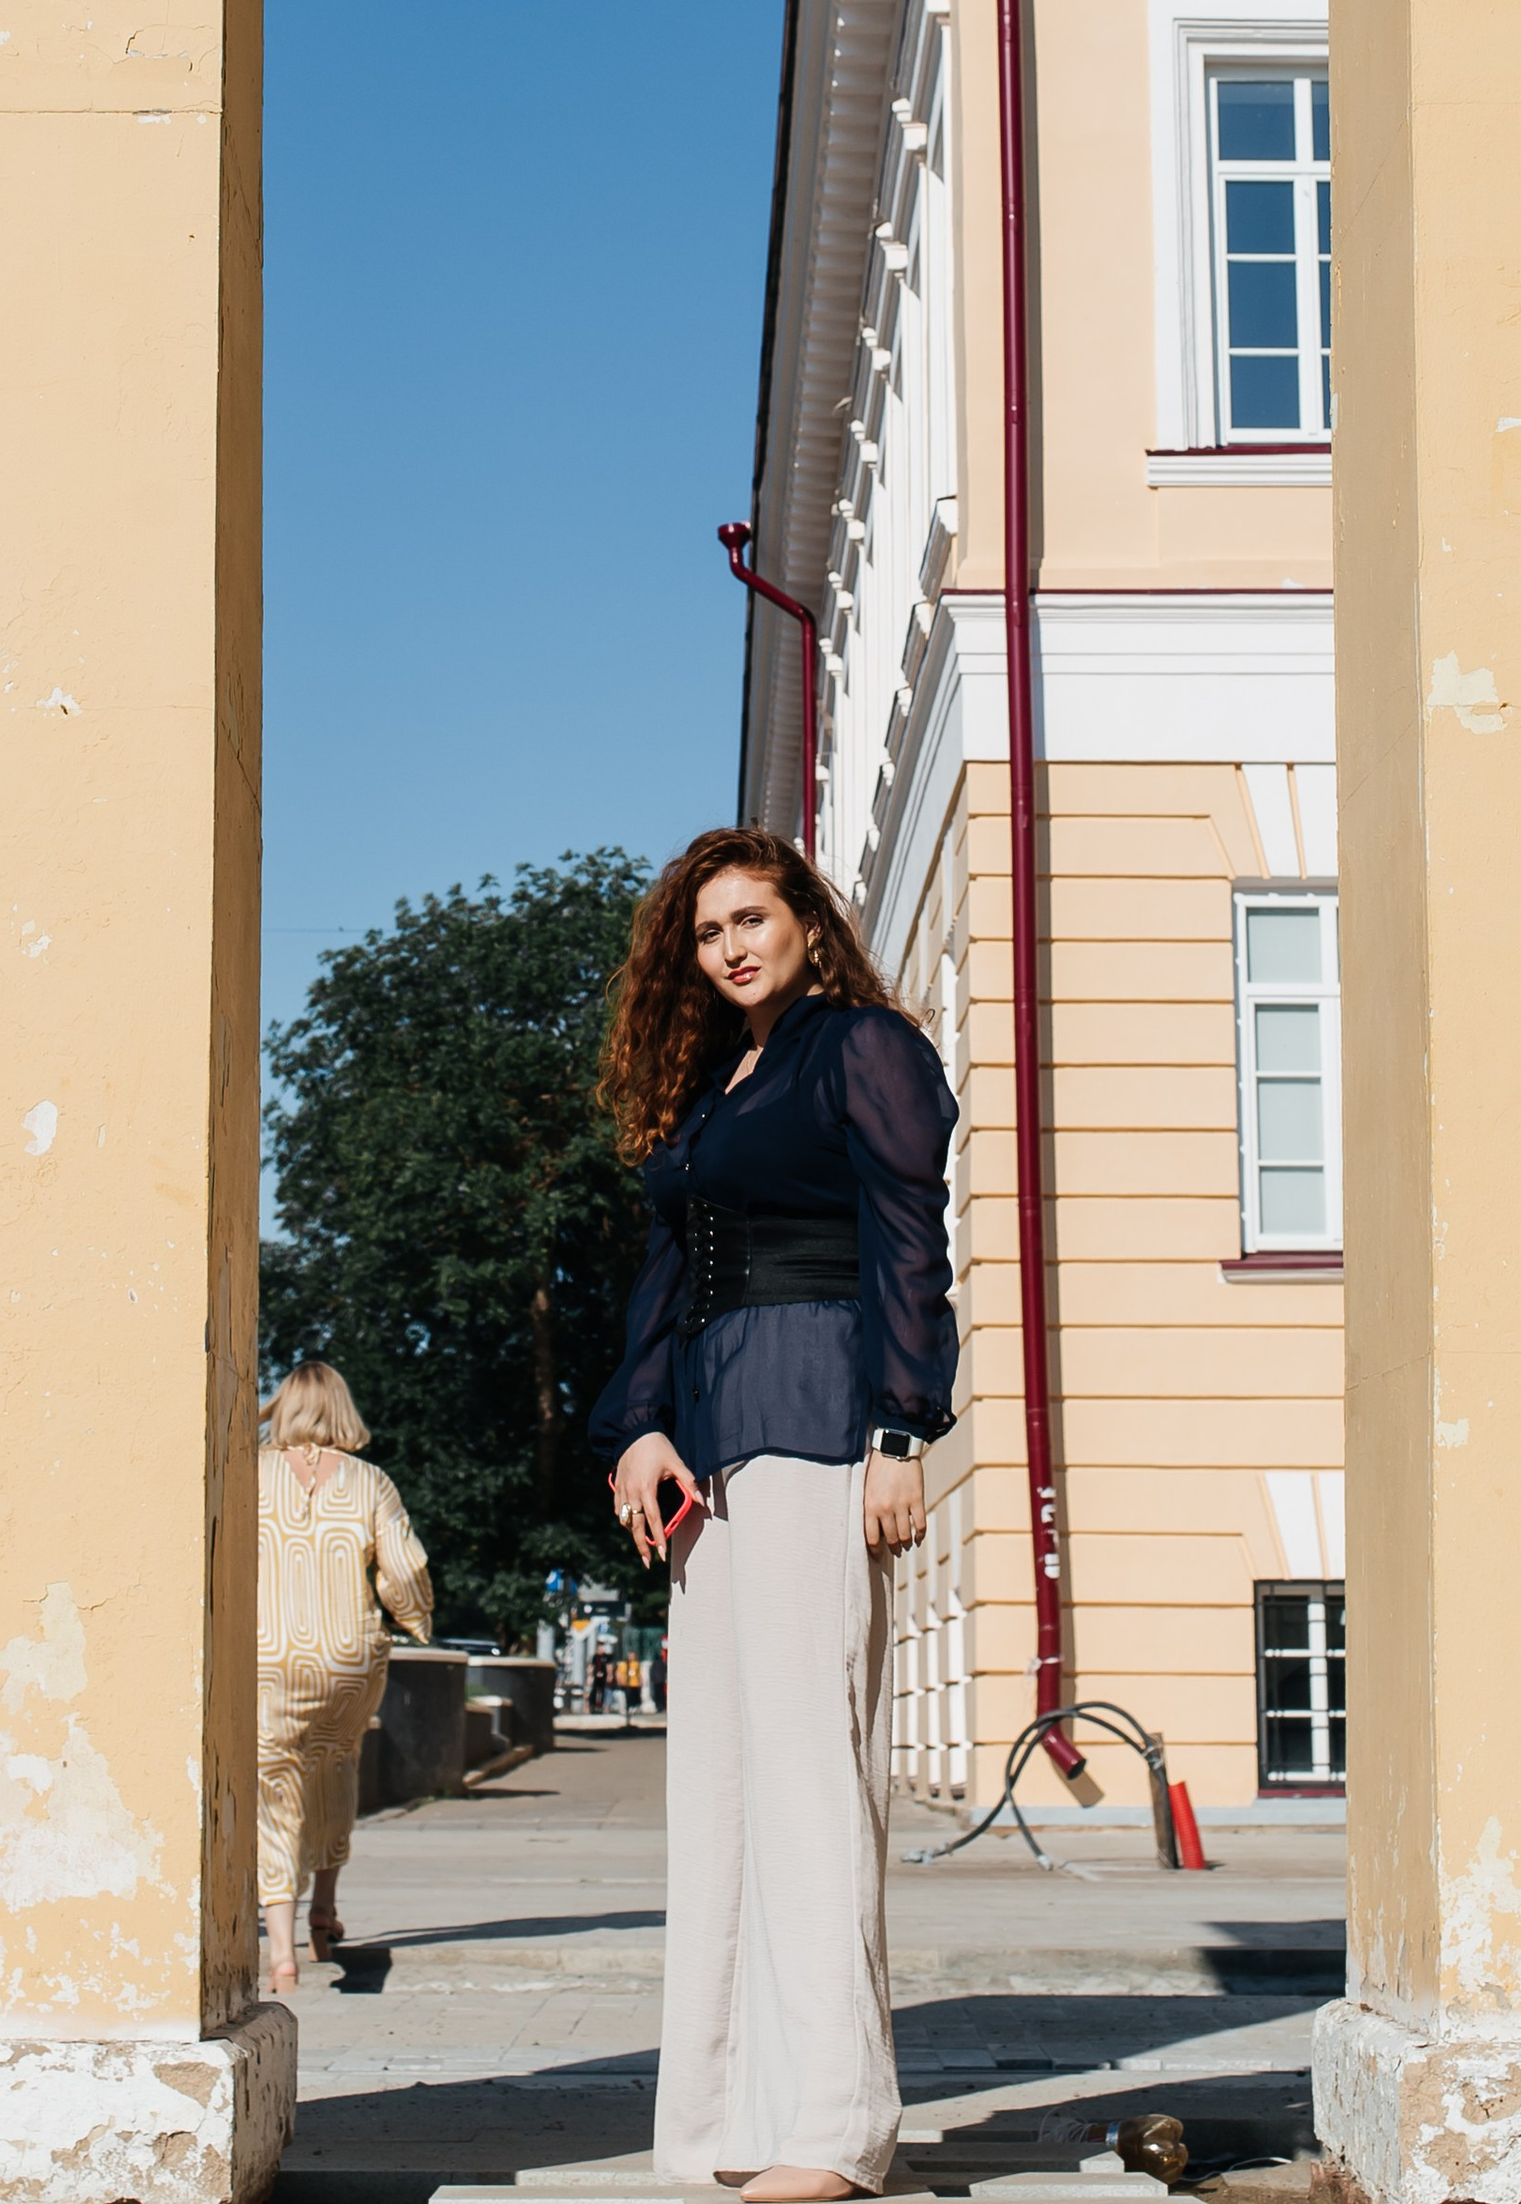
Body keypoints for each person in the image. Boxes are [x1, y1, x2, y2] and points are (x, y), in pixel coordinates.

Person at [591, 825, 956, 2204]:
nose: (732, 944)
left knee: (813, 1773)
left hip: (818, 1417)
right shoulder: (709, 1085)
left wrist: (896, 1425)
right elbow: (662, 1272)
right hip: (711, 1453)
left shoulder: (861, 1045)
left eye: (753, 916)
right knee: (723, 1792)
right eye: (706, 930)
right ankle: (725, 2126)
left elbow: (909, 1232)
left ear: (807, 916)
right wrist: (638, 1426)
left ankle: (834, 2129)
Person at [256, 1358, 434, 1998]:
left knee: (273, 1791)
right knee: (336, 1766)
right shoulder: (369, 1481)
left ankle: (280, 1952)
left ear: (284, 1408)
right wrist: (416, 1622)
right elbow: (404, 1572)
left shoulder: (248, 1475)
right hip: (350, 1659)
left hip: (267, 1657)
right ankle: (324, 1911)